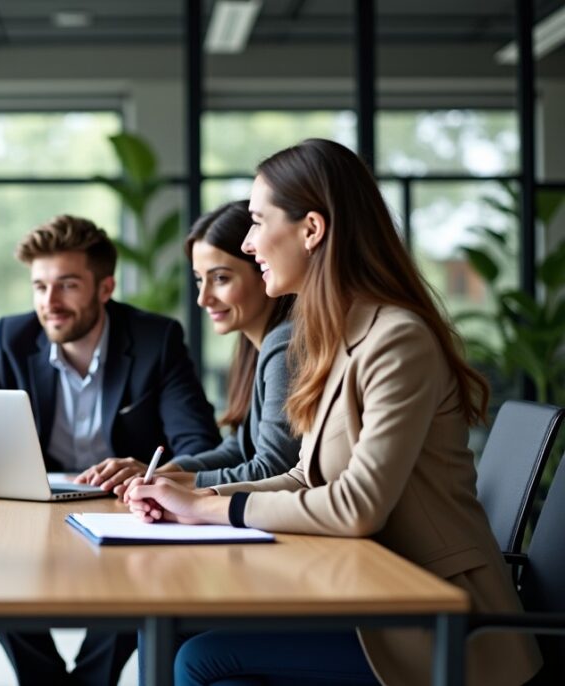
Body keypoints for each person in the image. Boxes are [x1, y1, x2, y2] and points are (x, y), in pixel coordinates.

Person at [126, 138, 542, 686]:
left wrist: (206, 511)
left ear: (312, 230)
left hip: (440, 622)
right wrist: (193, 500)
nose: (248, 243)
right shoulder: (339, 335)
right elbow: (305, 475)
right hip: (374, 592)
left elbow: (357, 507)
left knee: (199, 660)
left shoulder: (397, 340)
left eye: (256, 221)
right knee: (176, 629)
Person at [0, 214, 219, 686]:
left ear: (105, 288)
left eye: (67, 285)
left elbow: (198, 443)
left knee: (139, 578)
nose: (50, 303)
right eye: (40, 287)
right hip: (36, 508)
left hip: (123, 508)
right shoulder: (12, 337)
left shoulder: (154, 340)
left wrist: (152, 471)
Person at [114, 200, 299, 497]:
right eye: (200, 280)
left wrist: (181, 484)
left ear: (263, 270)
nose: (203, 298)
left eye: (221, 278)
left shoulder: (285, 344)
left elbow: (272, 468)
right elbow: (238, 447)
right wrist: (166, 471)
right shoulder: (254, 347)